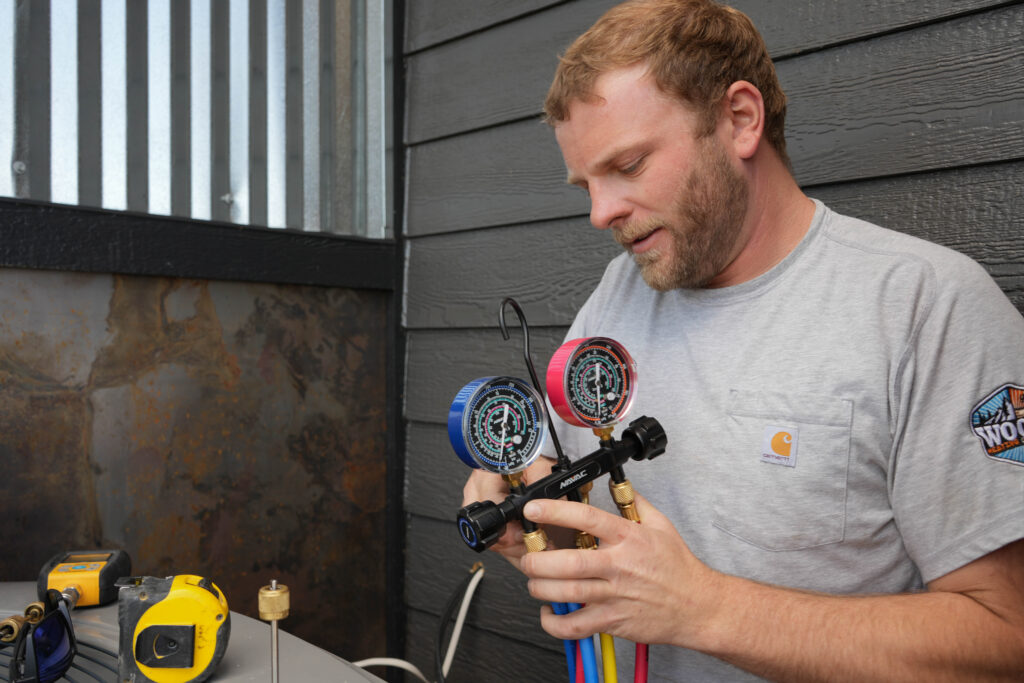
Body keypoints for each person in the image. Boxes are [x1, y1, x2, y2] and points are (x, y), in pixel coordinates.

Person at [461, 0, 1024, 680]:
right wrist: (531, 507)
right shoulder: (618, 292)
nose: (599, 211)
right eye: (588, 184)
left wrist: (704, 608)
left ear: (739, 120)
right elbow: (589, 515)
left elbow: (1005, 635)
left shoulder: (925, 308)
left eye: (629, 165)